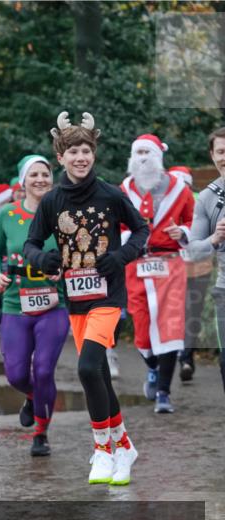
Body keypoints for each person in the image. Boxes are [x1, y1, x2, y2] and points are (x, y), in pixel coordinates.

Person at [24, 112, 149, 485]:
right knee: (97, 376)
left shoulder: (111, 195)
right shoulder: (53, 201)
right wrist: (42, 259)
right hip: (75, 298)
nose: (81, 157)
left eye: (86, 150)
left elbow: (142, 230)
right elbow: (31, 243)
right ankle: (124, 446)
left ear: (94, 154)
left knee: (86, 368)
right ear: (60, 157)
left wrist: (121, 256)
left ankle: (102, 449)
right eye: (73, 151)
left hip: (108, 295)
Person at [0, 155, 68, 456]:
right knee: (17, 374)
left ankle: (41, 433)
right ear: (23, 181)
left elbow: (79, 251)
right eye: (33, 174)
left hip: (53, 302)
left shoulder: (64, 215)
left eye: (45, 174)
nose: (40, 180)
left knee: (45, 370)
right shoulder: (8, 214)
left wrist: (66, 268)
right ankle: (34, 397)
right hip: (15, 303)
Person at [120, 134, 194, 413]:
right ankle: (152, 366)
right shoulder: (123, 190)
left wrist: (183, 232)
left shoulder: (180, 189)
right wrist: (127, 236)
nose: (142, 157)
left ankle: (164, 392)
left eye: (147, 152)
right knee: (142, 329)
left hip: (169, 262)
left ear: (158, 156)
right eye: (137, 152)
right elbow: (115, 226)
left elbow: (193, 221)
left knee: (170, 327)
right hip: (136, 266)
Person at [181, 127, 225, 393]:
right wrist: (214, 238)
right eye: (220, 152)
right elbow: (193, 251)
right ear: (212, 155)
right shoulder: (208, 198)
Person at [169, 165, 211, 382]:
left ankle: (186, 358)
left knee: (192, 314)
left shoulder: (200, 200)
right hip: (171, 270)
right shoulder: (164, 204)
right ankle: (180, 355)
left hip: (198, 268)